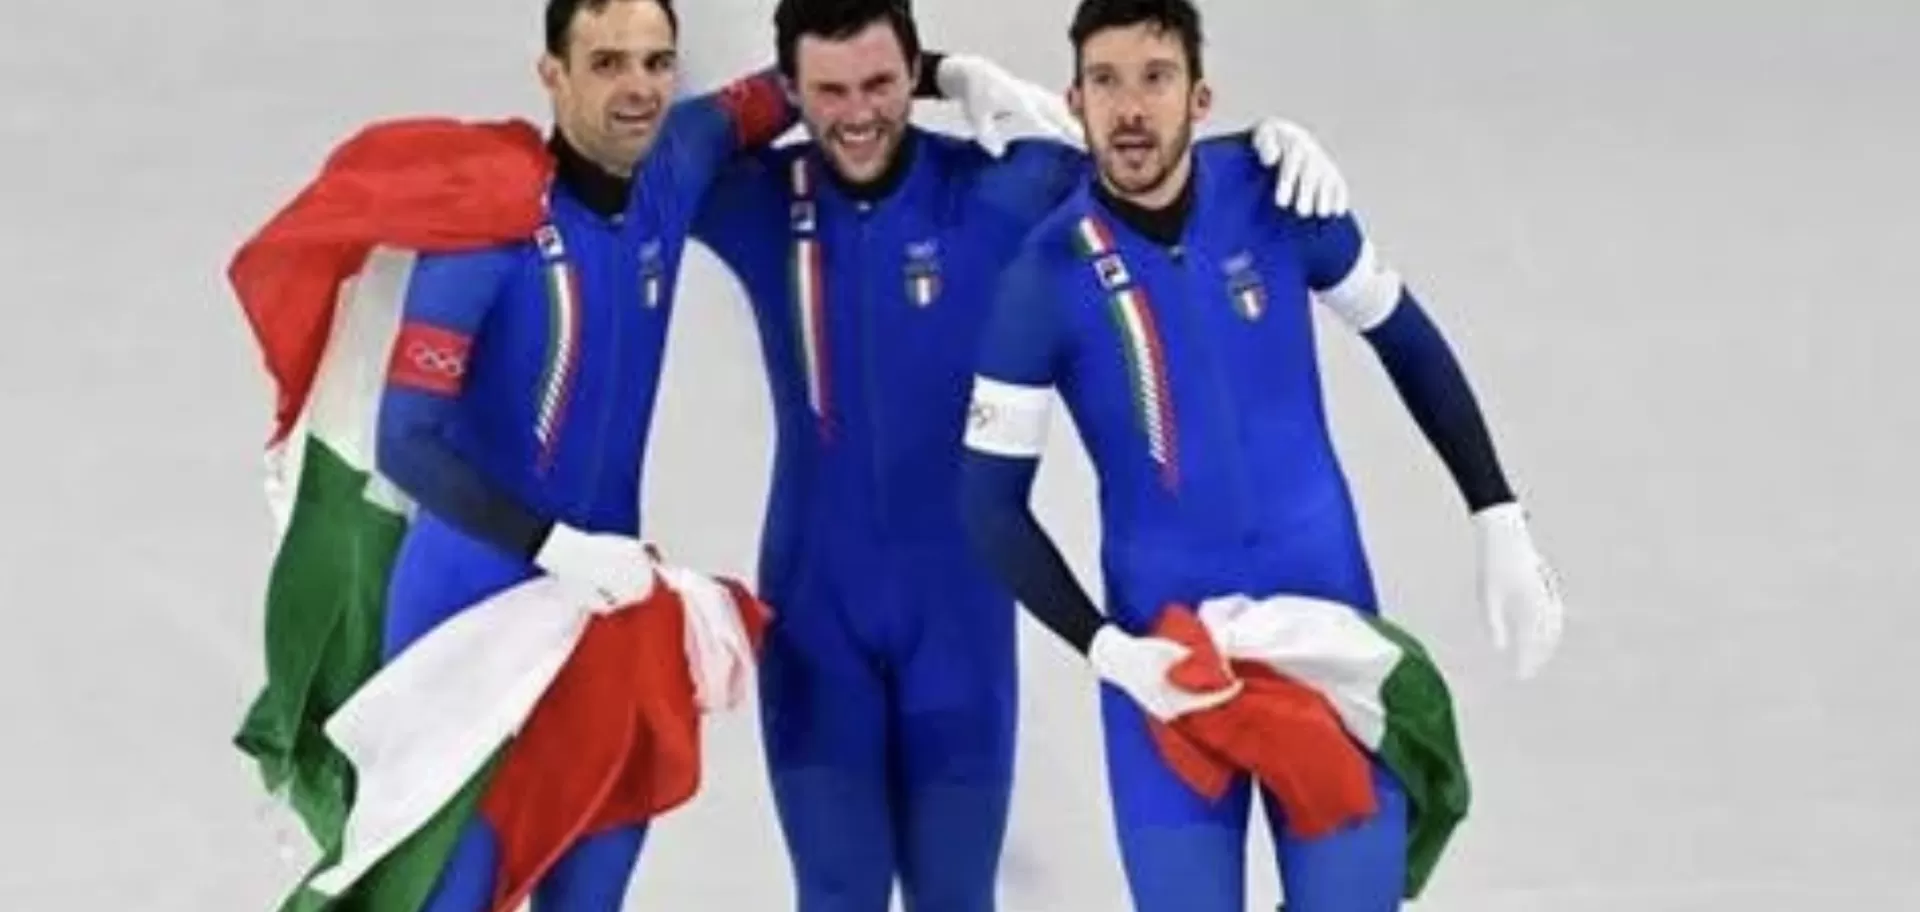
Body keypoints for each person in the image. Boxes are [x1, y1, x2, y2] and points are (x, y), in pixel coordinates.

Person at [687, 0, 1353, 908]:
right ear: (795, 92)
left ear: (907, 73)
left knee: (959, 898)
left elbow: (1143, 162)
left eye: (883, 83)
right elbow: (659, 146)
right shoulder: (762, 200)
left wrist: (1267, 150)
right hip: (816, 613)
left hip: (958, 620)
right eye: (829, 91)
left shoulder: (997, 189)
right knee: (835, 895)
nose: (858, 114)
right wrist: (936, 70)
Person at [955, 0, 1568, 909]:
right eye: (1106, 82)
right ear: (1073, 102)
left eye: (1156, 78)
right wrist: (1106, 649)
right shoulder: (1041, 280)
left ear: (1200, 98)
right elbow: (987, 503)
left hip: (1324, 637)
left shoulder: (1279, 195)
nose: (1131, 108)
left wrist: (1498, 514)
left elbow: (1405, 337)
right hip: (1169, 664)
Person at [368, 0, 798, 907]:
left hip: (604, 613)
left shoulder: (675, 162)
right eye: (607, 64)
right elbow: (405, 440)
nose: (638, 88)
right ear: (552, 75)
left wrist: (944, 75)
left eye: (657, 62)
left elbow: (804, 78)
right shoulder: (491, 226)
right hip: (467, 617)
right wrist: (550, 544)